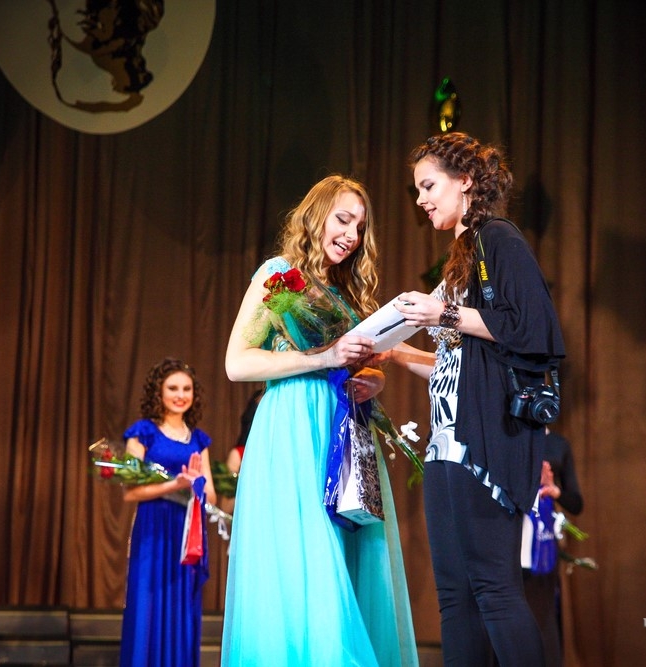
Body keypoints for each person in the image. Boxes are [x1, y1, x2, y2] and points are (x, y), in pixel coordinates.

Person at [222, 174, 418, 666]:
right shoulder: (279, 275)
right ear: (315, 216)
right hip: (292, 429)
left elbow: (363, 365)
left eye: (360, 227)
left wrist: (374, 380)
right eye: (343, 220)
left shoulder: (348, 292)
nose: (351, 235)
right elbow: (237, 363)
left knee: (350, 555)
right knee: (307, 557)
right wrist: (324, 357)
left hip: (344, 430)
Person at [384, 132, 565, 666]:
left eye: (428, 186)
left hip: (484, 443)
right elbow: (459, 366)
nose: (421, 199)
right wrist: (393, 353)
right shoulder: (461, 254)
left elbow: (534, 329)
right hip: (446, 446)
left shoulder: (498, 238)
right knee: (455, 598)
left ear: (465, 181)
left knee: (494, 589)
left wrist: (440, 313)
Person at [118, 357, 217, 667]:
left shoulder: (198, 439)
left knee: (181, 607)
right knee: (147, 607)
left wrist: (197, 484)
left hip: (187, 533)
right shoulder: (142, 433)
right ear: (158, 392)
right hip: (153, 529)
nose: (180, 395)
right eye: (173, 388)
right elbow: (130, 492)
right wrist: (175, 484)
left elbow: (212, 496)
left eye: (186, 389)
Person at [523, 428, 584, 667]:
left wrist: (553, 489)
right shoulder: (510, 437)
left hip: (542, 546)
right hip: (510, 537)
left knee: (543, 617)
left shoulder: (558, 444)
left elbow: (576, 503)